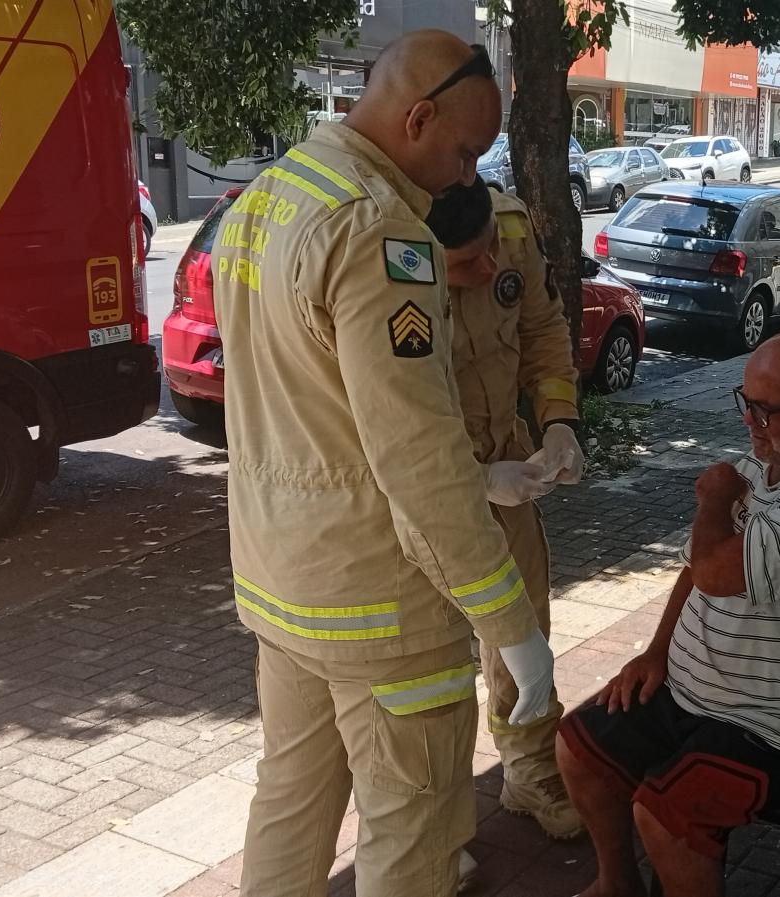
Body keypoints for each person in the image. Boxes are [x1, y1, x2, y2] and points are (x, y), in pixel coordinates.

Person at [212, 30, 554, 897]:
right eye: (466, 150)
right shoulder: (381, 233)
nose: (469, 174)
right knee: (414, 832)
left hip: (282, 579)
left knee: (290, 801)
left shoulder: (267, 198)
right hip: (382, 605)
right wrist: (513, 627)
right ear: (417, 117)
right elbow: (423, 462)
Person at [556, 330, 780, 897]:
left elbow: (714, 571)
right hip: (695, 690)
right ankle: (617, 885)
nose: (749, 423)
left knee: (665, 813)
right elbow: (695, 569)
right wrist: (656, 652)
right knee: (578, 746)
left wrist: (714, 498)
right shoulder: (762, 466)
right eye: (745, 404)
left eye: (765, 411)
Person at [424, 180, 585, 841]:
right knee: (430, 656)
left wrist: (558, 422)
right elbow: (369, 412)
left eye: (492, 248)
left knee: (523, 630)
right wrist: (473, 479)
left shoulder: (509, 227)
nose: (491, 267)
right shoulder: (382, 254)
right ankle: (435, 824)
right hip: (422, 489)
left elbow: (543, 328)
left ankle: (529, 770)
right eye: (469, 262)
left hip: (509, 460)